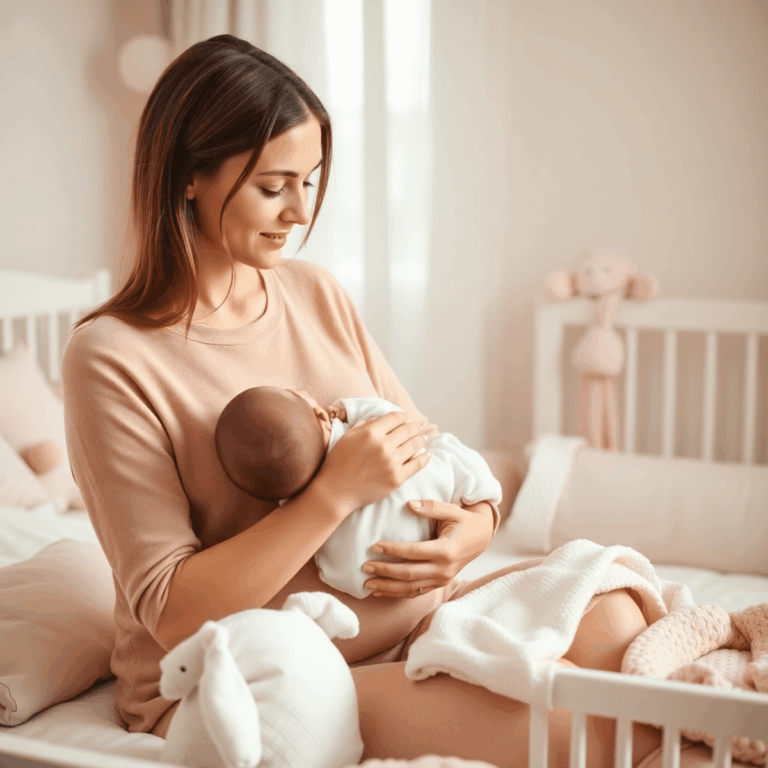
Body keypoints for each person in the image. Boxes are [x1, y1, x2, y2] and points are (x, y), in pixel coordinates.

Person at [62, 34, 660, 767]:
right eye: (273, 185)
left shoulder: (313, 292)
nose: (298, 212)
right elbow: (175, 611)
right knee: (589, 734)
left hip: (411, 624)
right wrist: (334, 494)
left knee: (617, 622)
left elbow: (426, 452)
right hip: (259, 668)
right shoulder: (114, 355)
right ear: (190, 177)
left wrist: (470, 534)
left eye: (310, 182)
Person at [214, 386, 503, 598]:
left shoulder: (300, 509)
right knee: (449, 451)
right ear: (321, 415)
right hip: (433, 490)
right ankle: (486, 491)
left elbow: (342, 576)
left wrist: (482, 525)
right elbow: (400, 420)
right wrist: (349, 409)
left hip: (397, 568)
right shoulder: (365, 431)